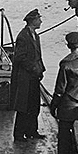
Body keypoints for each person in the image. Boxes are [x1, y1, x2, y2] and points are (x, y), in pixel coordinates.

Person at [10, 8, 46, 140]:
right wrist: (34, 68)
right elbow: (20, 58)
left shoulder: (35, 35)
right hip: (25, 78)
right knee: (24, 106)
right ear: (33, 21)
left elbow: (37, 55)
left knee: (34, 105)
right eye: (39, 19)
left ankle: (32, 131)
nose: (41, 21)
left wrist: (41, 69)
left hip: (33, 76)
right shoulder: (23, 36)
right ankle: (19, 134)